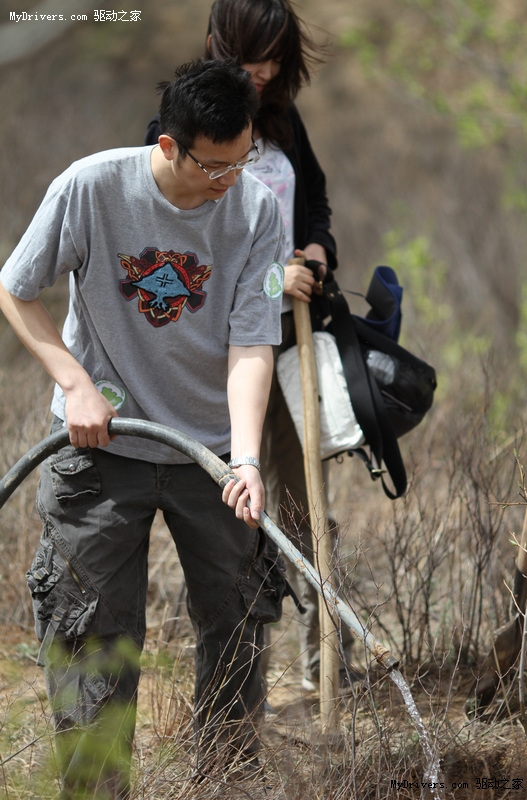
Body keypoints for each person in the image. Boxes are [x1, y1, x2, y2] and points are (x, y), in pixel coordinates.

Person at [0, 59, 287, 797]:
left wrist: (246, 460)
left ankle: (224, 780)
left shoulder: (256, 210)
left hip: (209, 454)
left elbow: (252, 345)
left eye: (240, 160)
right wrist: (74, 384)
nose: (228, 179)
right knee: (93, 634)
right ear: (168, 146)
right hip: (99, 448)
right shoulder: (91, 187)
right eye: (212, 165)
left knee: (237, 622)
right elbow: (16, 288)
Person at [145, 0, 355, 693]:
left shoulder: (284, 119)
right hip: (213, 361)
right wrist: (269, 274)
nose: (260, 72)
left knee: (301, 502)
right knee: (231, 513)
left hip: (288, 348)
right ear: (215, 48)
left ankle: (326, 665)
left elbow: (315, 202)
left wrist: (315, 255)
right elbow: (175, 252)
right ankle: (237, 678)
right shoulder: (179, 127)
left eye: (270, 57)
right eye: (246, 58)